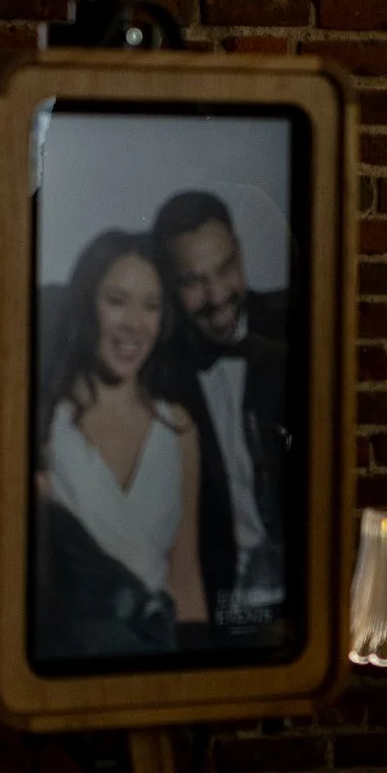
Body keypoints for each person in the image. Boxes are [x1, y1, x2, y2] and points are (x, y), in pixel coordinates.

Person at [33, 228, 207, 654]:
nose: (134, 323)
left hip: (156, 659)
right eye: (116, 301)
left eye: (150, 306)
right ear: (87, 305)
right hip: (67, 660)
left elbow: (184, 578)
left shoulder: (178, 429)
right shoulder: (43, 424)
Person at [149, 186, 292, 631]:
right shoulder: (157, 370)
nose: (216, 296)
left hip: (304, 601)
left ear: (240, 253)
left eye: (226, 268)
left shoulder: (299, 327)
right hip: (209, 608)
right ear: (170, 286)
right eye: (193, 281)